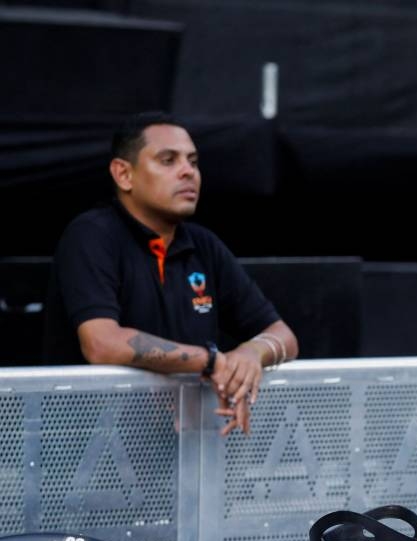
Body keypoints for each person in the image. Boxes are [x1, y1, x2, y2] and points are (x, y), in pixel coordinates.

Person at [42, 111, 298, 436]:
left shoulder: (203, 244)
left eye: (193, 161)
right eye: (168, 160)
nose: (187, 172)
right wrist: (212, 361)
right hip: (87, 454)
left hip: (182, 453)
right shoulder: (91, 235)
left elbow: (283, 335)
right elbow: (103, 343)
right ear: (123, 174)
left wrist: (251, 353)